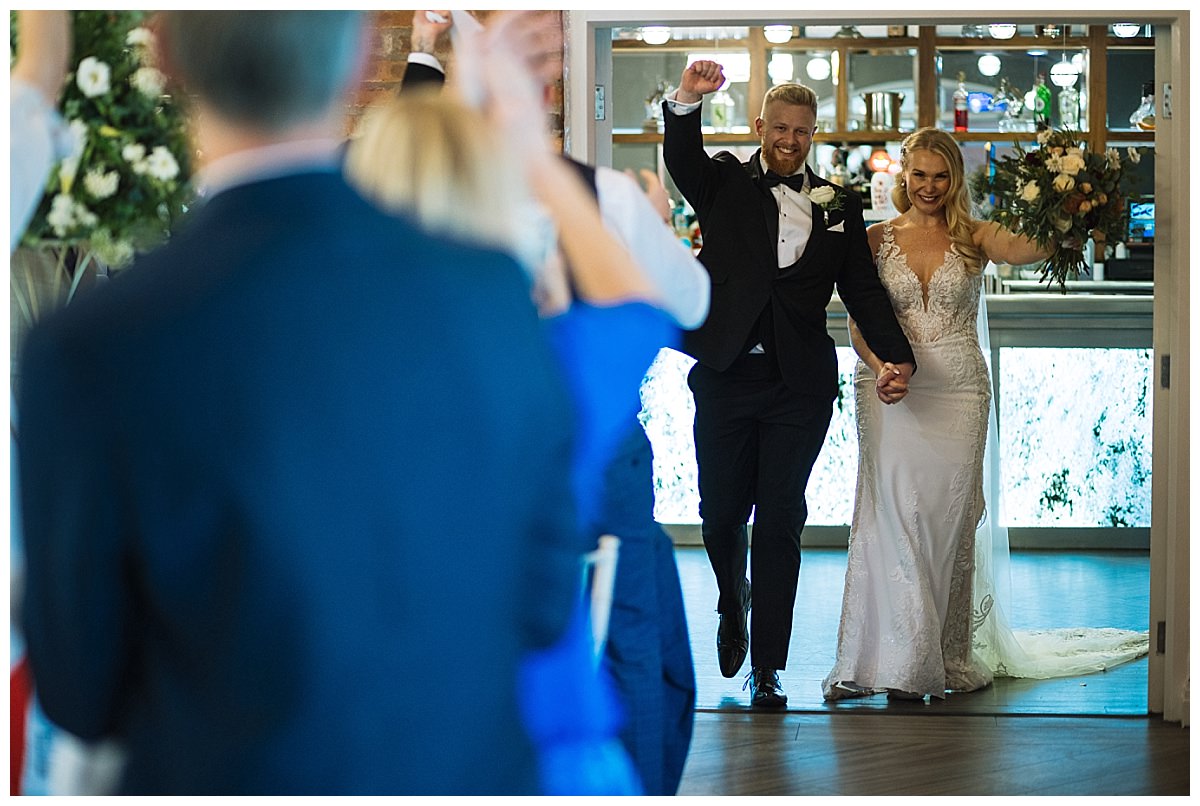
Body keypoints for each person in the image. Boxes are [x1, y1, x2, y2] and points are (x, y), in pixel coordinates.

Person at [17, 11, 583, 795]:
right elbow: (546, 604)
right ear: (359, 58)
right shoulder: (490, 295)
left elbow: (79, 690)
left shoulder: (87, 345)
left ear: (166, 61)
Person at [373, 12, 708, 794]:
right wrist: (605, 204)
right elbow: (677, 306)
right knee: (631, 635)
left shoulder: (375, 242)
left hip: (403, 719)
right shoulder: (599, 206)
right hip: (590, 477)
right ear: (545, 94)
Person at [823, 127, 1150, 701]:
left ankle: (937, 655)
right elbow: (858, 318)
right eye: (919, 175)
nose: (929, 187)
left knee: (947, 521)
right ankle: (886, 659)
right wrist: (880, 367)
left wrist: (1070, 208)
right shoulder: (873, 240)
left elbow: (1032, 247)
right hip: (888, 389)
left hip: (958, 392)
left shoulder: (976, 236)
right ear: (904, 175)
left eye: (940, 176)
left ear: (955, 180)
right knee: (889, 518)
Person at [661, 61, 915, 708]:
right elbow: (682, 156)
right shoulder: (722, 182)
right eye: (779, 128)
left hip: (798, 386)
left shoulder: (839, 205)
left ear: (813, 135)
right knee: (720, 516)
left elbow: (861, 288)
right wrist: (687, 97)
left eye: (801, 131)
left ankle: (768, 667)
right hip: (726, 376)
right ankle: (733, 600)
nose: (790, 140)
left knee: (779, 522)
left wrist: (897, 357)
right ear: (760, 128)